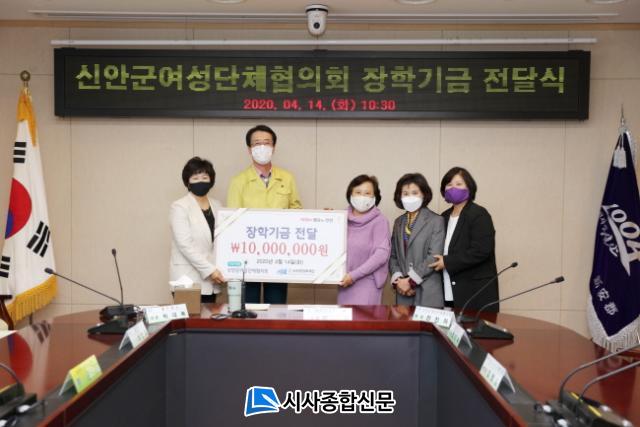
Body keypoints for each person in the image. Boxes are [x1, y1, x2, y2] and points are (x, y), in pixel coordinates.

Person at [227, 125, 302, 304]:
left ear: (273, 147)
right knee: (248, 307)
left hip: (279, 255)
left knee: (276, 307)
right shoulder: (238, 181)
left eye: (266, 143)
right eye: (256, 143)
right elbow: (231, 220)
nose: (262, 147)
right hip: (248, 256)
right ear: (249, 149)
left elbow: (297, 212)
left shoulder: (287, 178)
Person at [429, 167, 499, 312]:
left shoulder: (479, 214)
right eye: (449, 184)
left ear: (469, 187)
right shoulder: (443, 216)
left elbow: (481, 250)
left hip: (474, 292)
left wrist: (447, 262)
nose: (453, 188)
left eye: (459, 184)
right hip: (448, 289)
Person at [169, 157, 225, 303]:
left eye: (205, 177)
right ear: (187, 182)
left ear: (211, 180)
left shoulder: (218, 205)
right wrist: (210, 270)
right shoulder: (179, 207)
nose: (200, 181)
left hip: (212, 280)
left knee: (209, 317)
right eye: (195, 178)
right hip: (188, 279)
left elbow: (222, 241)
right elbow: (185, 245)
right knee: (190, 317)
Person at [389, 173, 445, 307]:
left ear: (424, 194)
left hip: (428, 292)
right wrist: (399, 280)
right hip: (403, 293)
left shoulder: (436, 220)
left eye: (415, 193)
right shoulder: (398, 222)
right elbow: (393, 255)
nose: (410, 197)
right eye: (405, 193)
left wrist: (410, 281)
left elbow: (434, 257)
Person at [338, 175, 391, 305]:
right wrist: (326, 219)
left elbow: (381, 255)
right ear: (350, 194)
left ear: (375, 197)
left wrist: (353, 276)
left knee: (362, 318)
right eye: (358, 192)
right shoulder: (340, 218)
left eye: (367, 193)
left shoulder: (380, 221)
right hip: (344, 282)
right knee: (345, 317)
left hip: (368, 283)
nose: (362, 197)